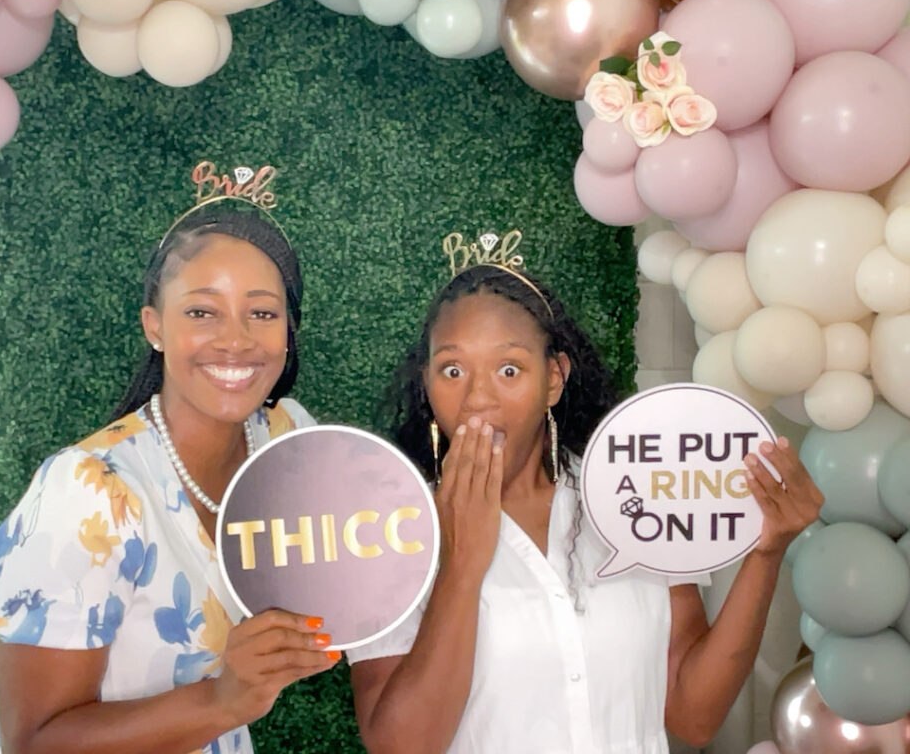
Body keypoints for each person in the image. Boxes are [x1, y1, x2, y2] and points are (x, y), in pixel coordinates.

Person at [347, 233, 824, 753]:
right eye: (453, 370)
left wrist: (766, 551)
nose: (477, 397)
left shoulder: (638, 494)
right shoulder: (387, 533)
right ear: (426, 382)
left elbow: (694, 715)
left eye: (509, 369)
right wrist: (461, 566)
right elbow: (399, 746)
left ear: (553, 379)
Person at [0, 166, 340, 754]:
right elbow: (34, 742)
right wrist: (224, 699)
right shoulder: (89, 492)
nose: (236, 339)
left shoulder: (286, 439)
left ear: (288, 331)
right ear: (155, 326)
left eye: (262, 313)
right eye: (201, 312)